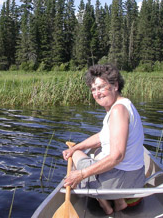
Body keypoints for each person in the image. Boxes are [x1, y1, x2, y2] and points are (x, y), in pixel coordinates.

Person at [62, 64, 145, 215]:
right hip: (136, 178)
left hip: (121, 181)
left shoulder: (118, 111)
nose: (97, 93)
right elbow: (101, 137)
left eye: (101, 87)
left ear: (115, 86)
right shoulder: (123, 105)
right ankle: (119, 203)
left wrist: (81, 174)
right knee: (78, 151)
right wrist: (76, 146)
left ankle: (107, 207)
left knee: (76, 160)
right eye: (93, 89)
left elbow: (117, 156)